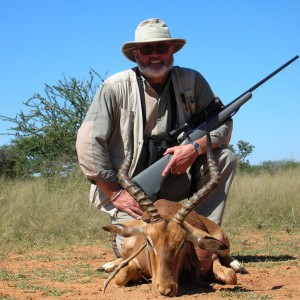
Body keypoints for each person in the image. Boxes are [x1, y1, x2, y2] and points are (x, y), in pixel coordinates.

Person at [76, 18, 236, 257]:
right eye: (147, 49)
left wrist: (194, 148)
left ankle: (203, 242)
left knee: (224, 157)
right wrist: (115, 193)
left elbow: (222, 126)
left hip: (177, 179)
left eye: (161, 48)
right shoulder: (114, 87)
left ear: (172, 50)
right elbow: (88, 143)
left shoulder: (193, 81)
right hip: (130, 189)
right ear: (136, 54)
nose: (155, 55)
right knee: (131, 250)